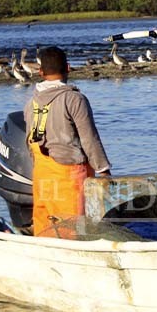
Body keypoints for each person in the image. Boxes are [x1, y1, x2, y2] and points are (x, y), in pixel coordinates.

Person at [24, 46, 111, 236]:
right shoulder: (74, 99)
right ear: (68, 68)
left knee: (45, 225)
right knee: (74, 228)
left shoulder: (31, 103)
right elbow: (89, 138)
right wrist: (104, 171)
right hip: (69, 175)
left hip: (41, 174)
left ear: (40, 72)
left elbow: (29, 142)